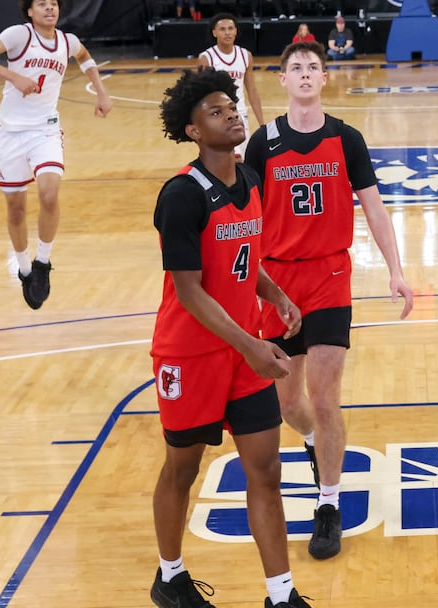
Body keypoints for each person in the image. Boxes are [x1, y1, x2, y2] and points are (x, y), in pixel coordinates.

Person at [244, 42, 413, 561]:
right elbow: (243, 218)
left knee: (324, 396)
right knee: (286, 403)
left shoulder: (347, 138)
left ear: (324, 78)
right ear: (282, 79)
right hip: (276, 284)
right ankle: (317, 443)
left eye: (313, 67)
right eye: (295, 67)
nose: (304, 74)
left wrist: (396, 270)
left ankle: (328, 504)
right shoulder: (263, 143)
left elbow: (376, 208)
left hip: (330, 277)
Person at [149, 68, 311, 608]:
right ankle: (169, 577)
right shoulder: (181, 196)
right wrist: (250, 343)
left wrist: (277, 295)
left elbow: (247, 260)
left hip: (245, 350)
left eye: (231, 106)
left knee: (266, 470)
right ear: (193, 132)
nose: (231, 114)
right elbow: (190, 291)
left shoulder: (251, 180)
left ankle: (281, 595)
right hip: (190, 354)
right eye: (215, 112)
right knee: (183, 468)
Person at [0, 0, 113, 309]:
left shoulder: (67, 41)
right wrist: (11, 76)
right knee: (15, 209)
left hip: (45, 131)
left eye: (54, 3)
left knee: (49, 193)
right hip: (11, 135)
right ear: (30, 11)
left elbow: (85, 57)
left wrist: (100, 91)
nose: (49, 8)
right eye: (42, 4)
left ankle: (43, 263)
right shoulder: (19, 35)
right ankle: (24, 267)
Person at [199, 13, 264, 137]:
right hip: (217, 117)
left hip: (240, 114)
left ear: (235, 31)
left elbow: (252, 91)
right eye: (222, 29)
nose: (227, 33)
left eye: (230, 28)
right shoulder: (206, 57)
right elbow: (202, 94)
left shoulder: (246, 55)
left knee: (243, 156)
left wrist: (262, 124)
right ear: (214, 33)